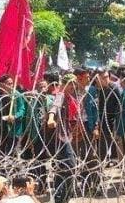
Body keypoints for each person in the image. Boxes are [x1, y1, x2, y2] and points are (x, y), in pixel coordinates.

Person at [47, 73, 80, 203]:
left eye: (74, 84)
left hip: (66, 135)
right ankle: (63, 197)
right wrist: (50, 118)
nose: (73, 86)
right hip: (60, 138)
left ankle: (60, 197)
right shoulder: (60, 96)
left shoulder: (69, 97)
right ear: (65, 84)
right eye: (71, 84)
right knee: (71, 166)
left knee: (62, 167)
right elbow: (55, 107)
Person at [96, 68, 122, 163]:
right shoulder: (95, 89)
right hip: (99, 120)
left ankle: (112, 159)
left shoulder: (114, 88)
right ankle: (102, 162)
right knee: (101, 144)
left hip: (111, 120)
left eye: (107, 77)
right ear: (98, 78)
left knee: (108, 141)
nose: (106, 79)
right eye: (103, 78)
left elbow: (120, 104)